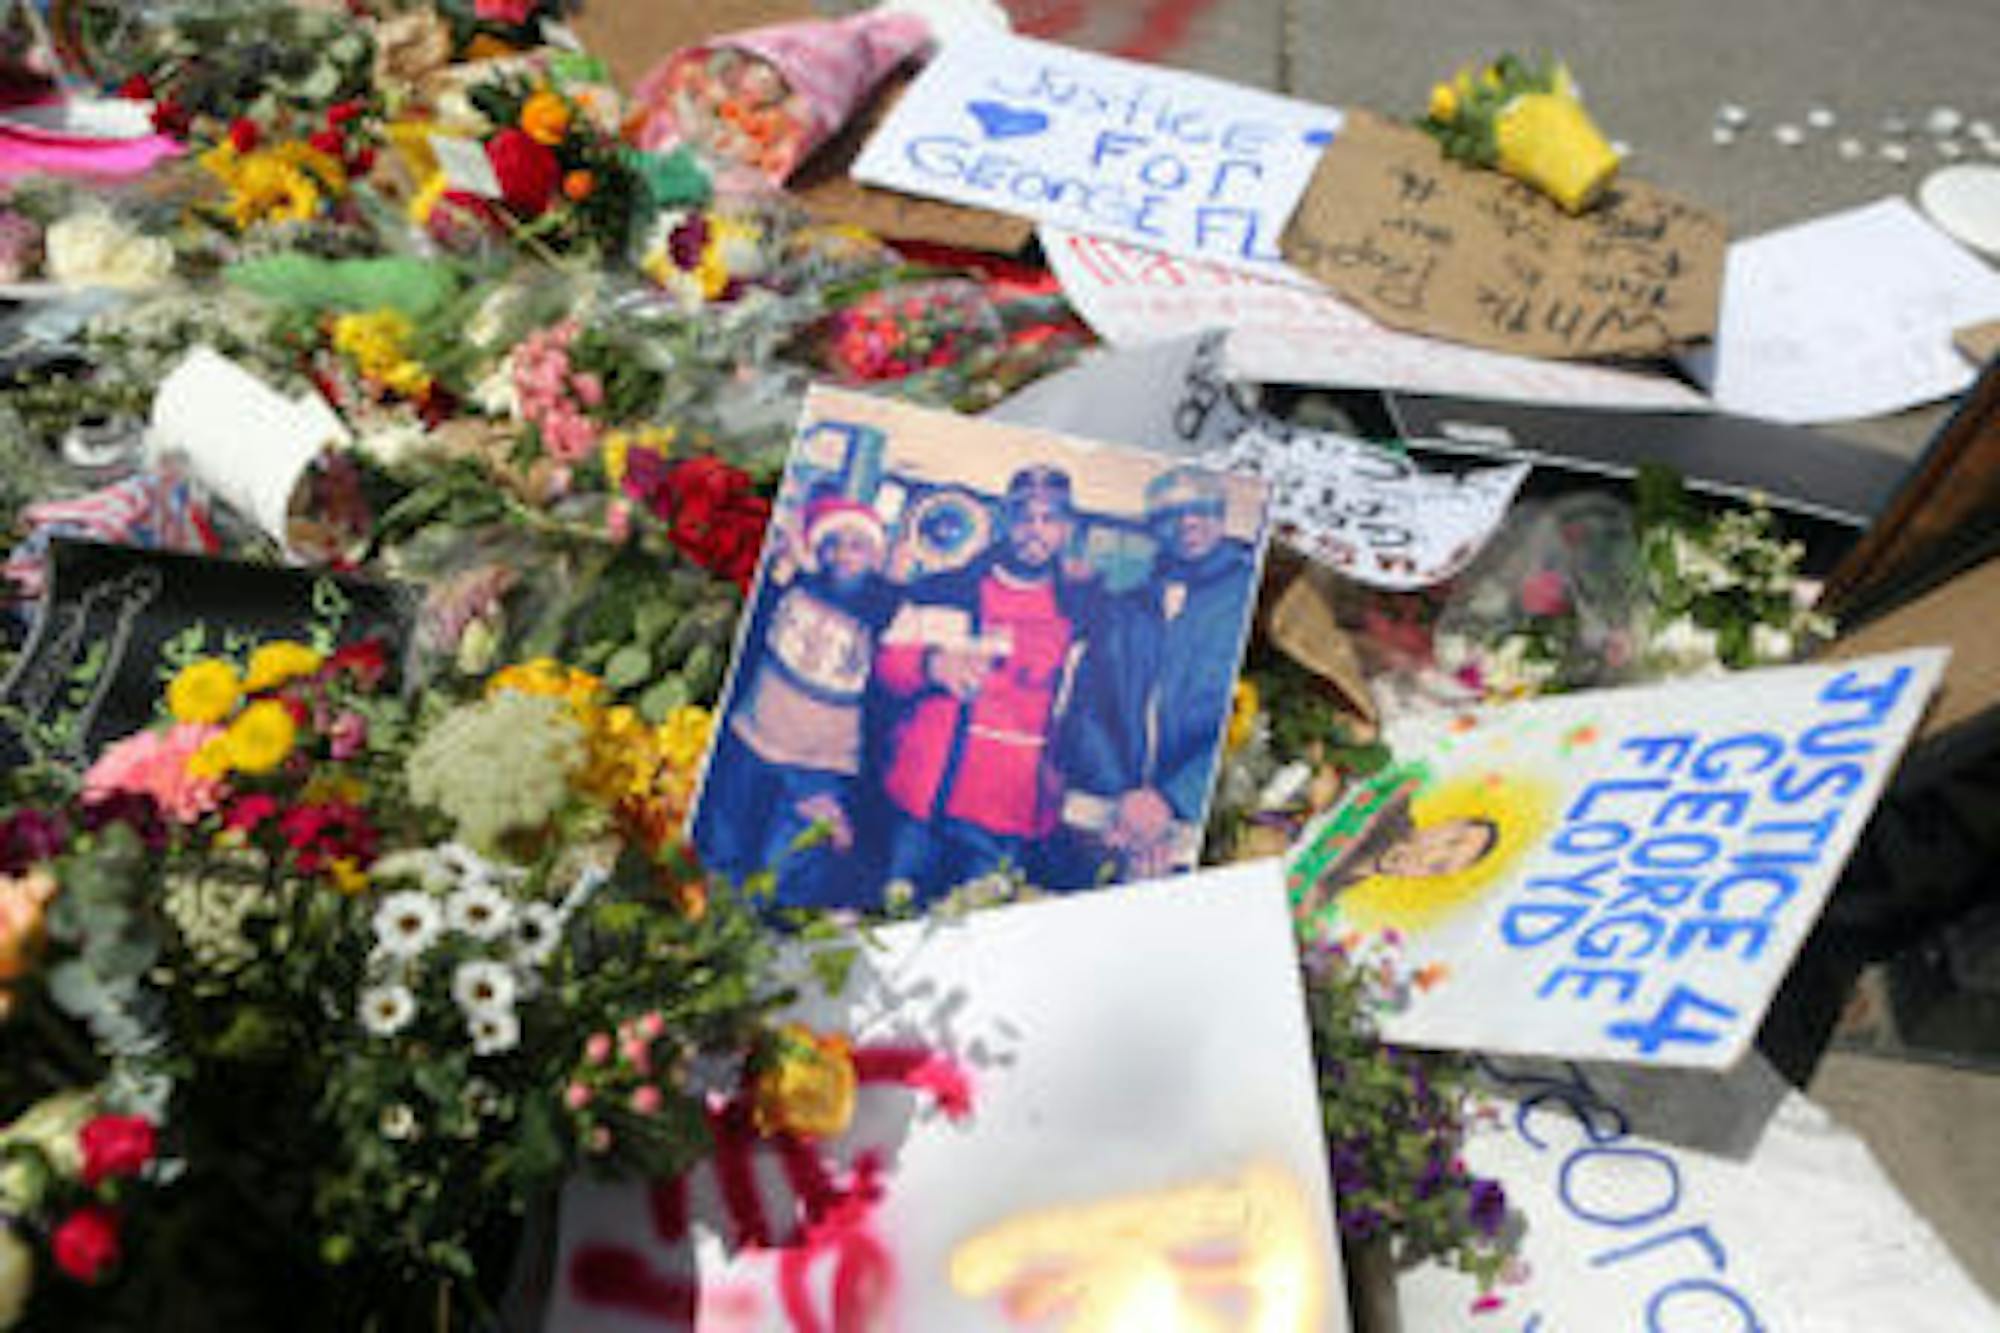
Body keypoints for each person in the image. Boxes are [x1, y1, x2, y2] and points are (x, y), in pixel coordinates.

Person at [871, 466, 1092, 902]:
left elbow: (1085, 716)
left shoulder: (1083, 614)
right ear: (1006, 520)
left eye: (1050, 519)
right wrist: (931, 665)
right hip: (922, 802)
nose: (1036, 530)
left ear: (1067, 529)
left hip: (1009, 816)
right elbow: (885, 668)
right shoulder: (943, 589)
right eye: (1025, 517)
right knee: (891, 925)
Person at [1052, 466, 1258, 885]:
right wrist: (1125, 798)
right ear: (1153, 528)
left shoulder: (1250, 601)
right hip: (1109, 817)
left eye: (1200, 509)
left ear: (1220, 516)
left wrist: (1174, 799)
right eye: (1171, 514)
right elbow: (1087, 708)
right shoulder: (1123, 608)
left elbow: (1247, 721)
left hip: (1199, 822)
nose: (1188, 522)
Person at [693, 494, 896, 904]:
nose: (842, 555)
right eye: (832, 544)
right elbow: (751, 624)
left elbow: (880, 614)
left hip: (819, 765)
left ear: (875, 556)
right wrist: (783, 573)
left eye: (857, 546)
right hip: (751, 737)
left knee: (784, 867)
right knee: (719, 848)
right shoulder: (794, 585)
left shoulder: (885, 604)